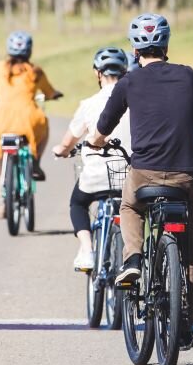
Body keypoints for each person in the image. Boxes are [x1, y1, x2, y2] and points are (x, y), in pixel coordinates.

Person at [88, 13, 193, 345]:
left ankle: (132, 258)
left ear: (134, 48)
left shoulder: (129, 82)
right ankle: (185, 322)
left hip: (144, 175)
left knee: (129, 206)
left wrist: (95, 142)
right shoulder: (188, 76)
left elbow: (104, 125)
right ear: (167, 44)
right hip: (187, 176)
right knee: (188, 250)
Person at [52, 45, 133, 272]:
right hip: (130, 176)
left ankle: (87, 250)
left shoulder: (88, 105)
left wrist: (61, 150)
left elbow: (68, 142)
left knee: (77, 203)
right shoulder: (137, 101)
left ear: (98, 73)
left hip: (96, 178)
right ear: (125, 72)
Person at [0, 30, 63, 213]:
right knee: (45, 124)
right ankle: (36, 161)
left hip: (0, 122)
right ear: (29, 51)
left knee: (1, 162)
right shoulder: (35, 71)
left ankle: (2, 201)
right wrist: (54, 95)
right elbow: (49, 92)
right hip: (29, 121)